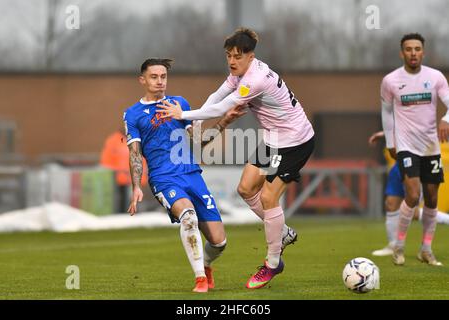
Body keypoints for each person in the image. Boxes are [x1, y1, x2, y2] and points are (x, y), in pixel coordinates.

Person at [157, 28, 314, 289]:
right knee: (245, 189)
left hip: (295, 141)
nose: (232, 61)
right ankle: (282, 233)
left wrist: (182, 115)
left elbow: (222, 107)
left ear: (251, 57)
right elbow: (215, 98)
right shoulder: (239, 74)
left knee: (267, 197)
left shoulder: (255, 79)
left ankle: (273, 263)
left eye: (237, 56)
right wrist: (194, 121)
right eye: (229, 55)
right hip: (274, 141)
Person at [124, 58, 245, 293]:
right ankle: (200, 279)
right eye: (154, 77)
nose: (160, 81)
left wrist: (225, 121)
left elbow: (200, 141)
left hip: (192, 175)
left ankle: (206, 263)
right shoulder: (133, 114)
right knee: (188, 217)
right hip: (163, 178)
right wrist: (136, 186)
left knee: (219, 242)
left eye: (163, 77)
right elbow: (135, 154)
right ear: (142, 80)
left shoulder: (179, 104)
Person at [381, 33, 449, 266]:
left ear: (423, 52)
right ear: (402, 53)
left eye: (417, 49)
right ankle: (399, 246)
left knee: (431, 199)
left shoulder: (435, 77)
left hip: (430, 147)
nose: (413, 53)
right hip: (406, 147)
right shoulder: (391, 80)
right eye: (408, 49)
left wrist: (446, 119)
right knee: (412, 195)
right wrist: (391, 142)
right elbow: (387, 112)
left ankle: (425, 249)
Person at [368, 131, 449, 257]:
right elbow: (402, 120)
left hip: (418, 162)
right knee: (391, 203)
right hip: (400, 162)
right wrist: (386, 132)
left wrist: (446, 120)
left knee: (413, 210)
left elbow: (419, 123)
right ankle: (392, 245)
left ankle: (446, 221)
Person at [100, 127, 148, 213]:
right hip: (118, 182)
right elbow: (106, 162)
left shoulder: (140, 138)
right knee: (119, 204)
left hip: (137, 182)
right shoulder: (114, 140)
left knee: (137, 203)